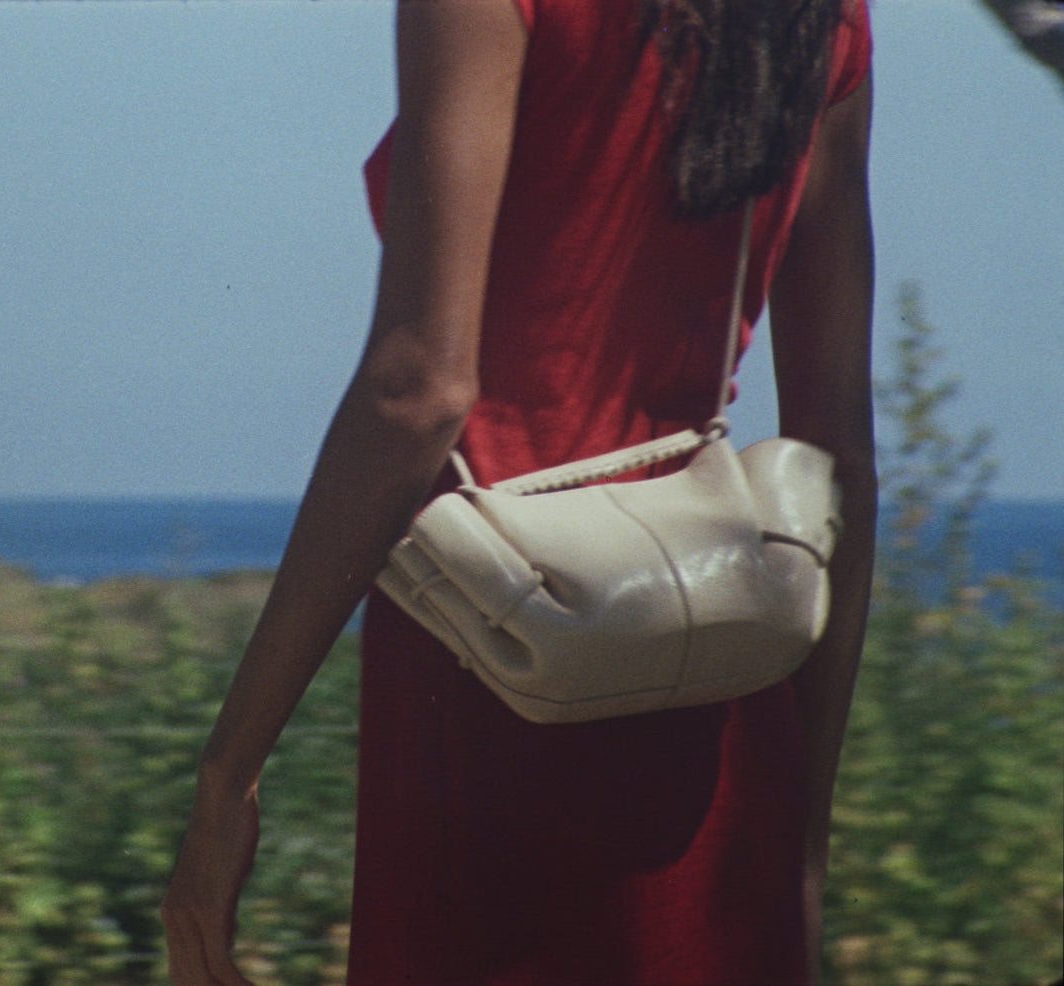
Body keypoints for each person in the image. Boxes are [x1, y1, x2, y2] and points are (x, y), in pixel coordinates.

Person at [162, 0, 875, 983]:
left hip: (492, 662)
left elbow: (420, 394)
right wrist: (800, 833)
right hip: (724, 714)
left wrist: (225, 782)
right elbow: (839, 452)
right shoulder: (825, 16)